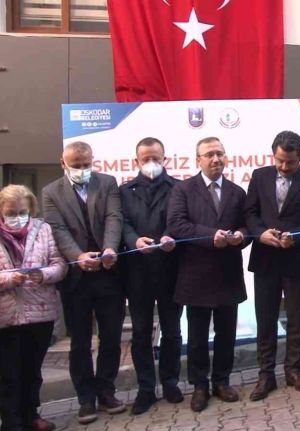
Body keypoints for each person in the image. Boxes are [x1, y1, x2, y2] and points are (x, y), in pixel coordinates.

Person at [42, 141, 125, 425]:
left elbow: (114, 217)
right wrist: (78, 256)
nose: (81, 169)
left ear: (93, 160)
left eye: (86, 164)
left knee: (111, 336)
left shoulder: (107, 183)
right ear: (63, 163)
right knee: (79, 342)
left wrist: (109, 248)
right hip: (76, 279)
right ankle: (85, 399)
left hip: (108, 272)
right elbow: (57, 228)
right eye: (75, 165)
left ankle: (106, 391)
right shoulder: (51, 192)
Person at [167, 137, 250, 412]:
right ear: (198, 160)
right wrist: (210, 236)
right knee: (198, 336)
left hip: (228, 273)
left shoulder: (237, 191)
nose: (216, 159)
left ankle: (222, 381)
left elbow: (247, 226)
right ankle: (199, 385)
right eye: (209, 154)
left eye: (220, 154)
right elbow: (177, 225)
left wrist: (241, 236)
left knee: (227, 333)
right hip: (196, 273)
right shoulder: (183, 189)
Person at [244, 131, 300, 401]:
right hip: (265, 258)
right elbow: (250, 213)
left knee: (297, 318)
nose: (283, 166)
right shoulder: (259, 176)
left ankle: (293, 371)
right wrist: (260, 234)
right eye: (279, 160)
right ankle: (265, 375)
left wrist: (296, 236)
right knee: (265, 318)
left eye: (290, 162)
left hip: (296, 259)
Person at [119, 137, 183, 415]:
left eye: (156, 158)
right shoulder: (124, 191)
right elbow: (121, 223)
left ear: (164, 158)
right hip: (138, 273)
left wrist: (171, 236)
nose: (151, 163)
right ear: (137, 161)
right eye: (145, 159)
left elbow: (181, 219)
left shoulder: (179, 188)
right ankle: (146, 389)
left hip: (170, 270)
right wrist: (134, 241)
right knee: (141, 332)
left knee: (172, 331)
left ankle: (170, 382)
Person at [0, 185, 66, 431]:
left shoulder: (43, 229)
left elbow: (59, 264)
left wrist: (44, 274)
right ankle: (11, 421)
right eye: (11, 213)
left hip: (40, 310)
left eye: (22, 212)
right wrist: (9, 279)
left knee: (33, 370)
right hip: (6, 315)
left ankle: (31, 415)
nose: (17, 217)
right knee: (9, 372)